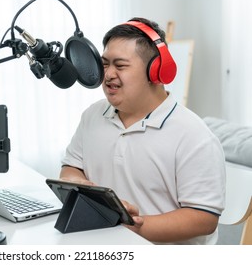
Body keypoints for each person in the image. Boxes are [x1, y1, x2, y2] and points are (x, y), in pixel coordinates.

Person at [59, 17, 226, 245]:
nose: (107, 75)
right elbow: (71, 167)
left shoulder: (194, 136)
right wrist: (82, 187)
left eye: (120, 65)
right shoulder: (92, 115)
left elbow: (203, 219)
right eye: (105, 64)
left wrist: (134, 225)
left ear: (156, 71)